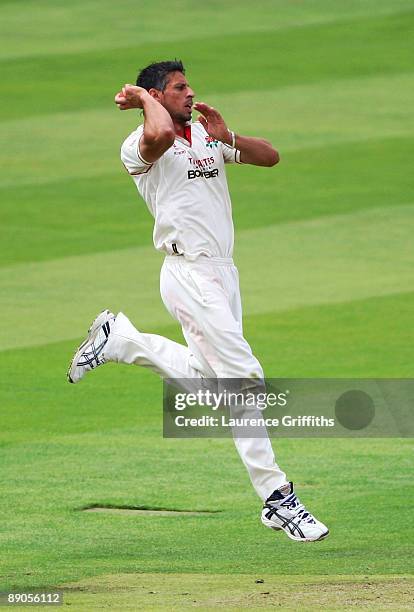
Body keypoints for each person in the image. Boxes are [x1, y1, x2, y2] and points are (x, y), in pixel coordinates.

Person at [67, 60, 329, 542]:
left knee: (220, 388)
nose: (191, 93)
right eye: (178, 88)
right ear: (155, 95)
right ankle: (277, 497)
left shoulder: (205, 135)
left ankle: (122, 340)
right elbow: (159, 135)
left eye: (189, 85)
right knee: (245, 378)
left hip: (225, 274)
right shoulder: (138, 145)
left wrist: (228, 137)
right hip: (187, 271)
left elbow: (270, 156)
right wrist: (146, 102)